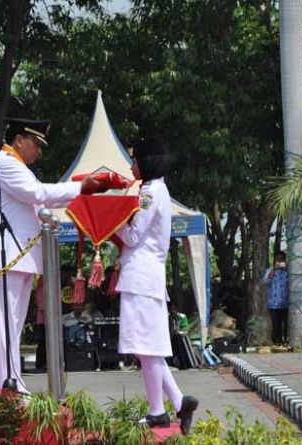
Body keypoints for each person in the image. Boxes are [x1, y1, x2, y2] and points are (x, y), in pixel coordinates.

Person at [0, 118, 106, 397]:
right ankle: (3, 388)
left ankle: (11, 385)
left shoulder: (17, 166)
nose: (39, 151)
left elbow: (39, 197)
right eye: (36, 144)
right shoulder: (6, 163)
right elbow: (38, 194)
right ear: (19, 140)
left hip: (15, 255)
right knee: (4, 326)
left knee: (12, 325)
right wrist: (80, 188)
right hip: (4, 254)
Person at [115, 137, 198, 434]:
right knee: (146, 348)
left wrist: (111, 223)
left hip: (141, 277)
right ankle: (177, 402)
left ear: (147, 162)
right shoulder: (157, 190)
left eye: (135, 160)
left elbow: (134, 235)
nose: (131, 165)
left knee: (146, 347)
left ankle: (158, 411)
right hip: (146, 277)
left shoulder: (149, 193)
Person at [263, 251, 289, 345]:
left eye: (282, 259)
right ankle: (277, 341)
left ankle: (286, 340)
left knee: (286, 323)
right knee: (276, 323)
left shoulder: (288, 272)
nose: (280, 261)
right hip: (273, 303)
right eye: (278, 259)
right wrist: (274, 270)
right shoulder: (270, 270)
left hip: (286, 302)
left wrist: (287, 269)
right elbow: (265, 281)